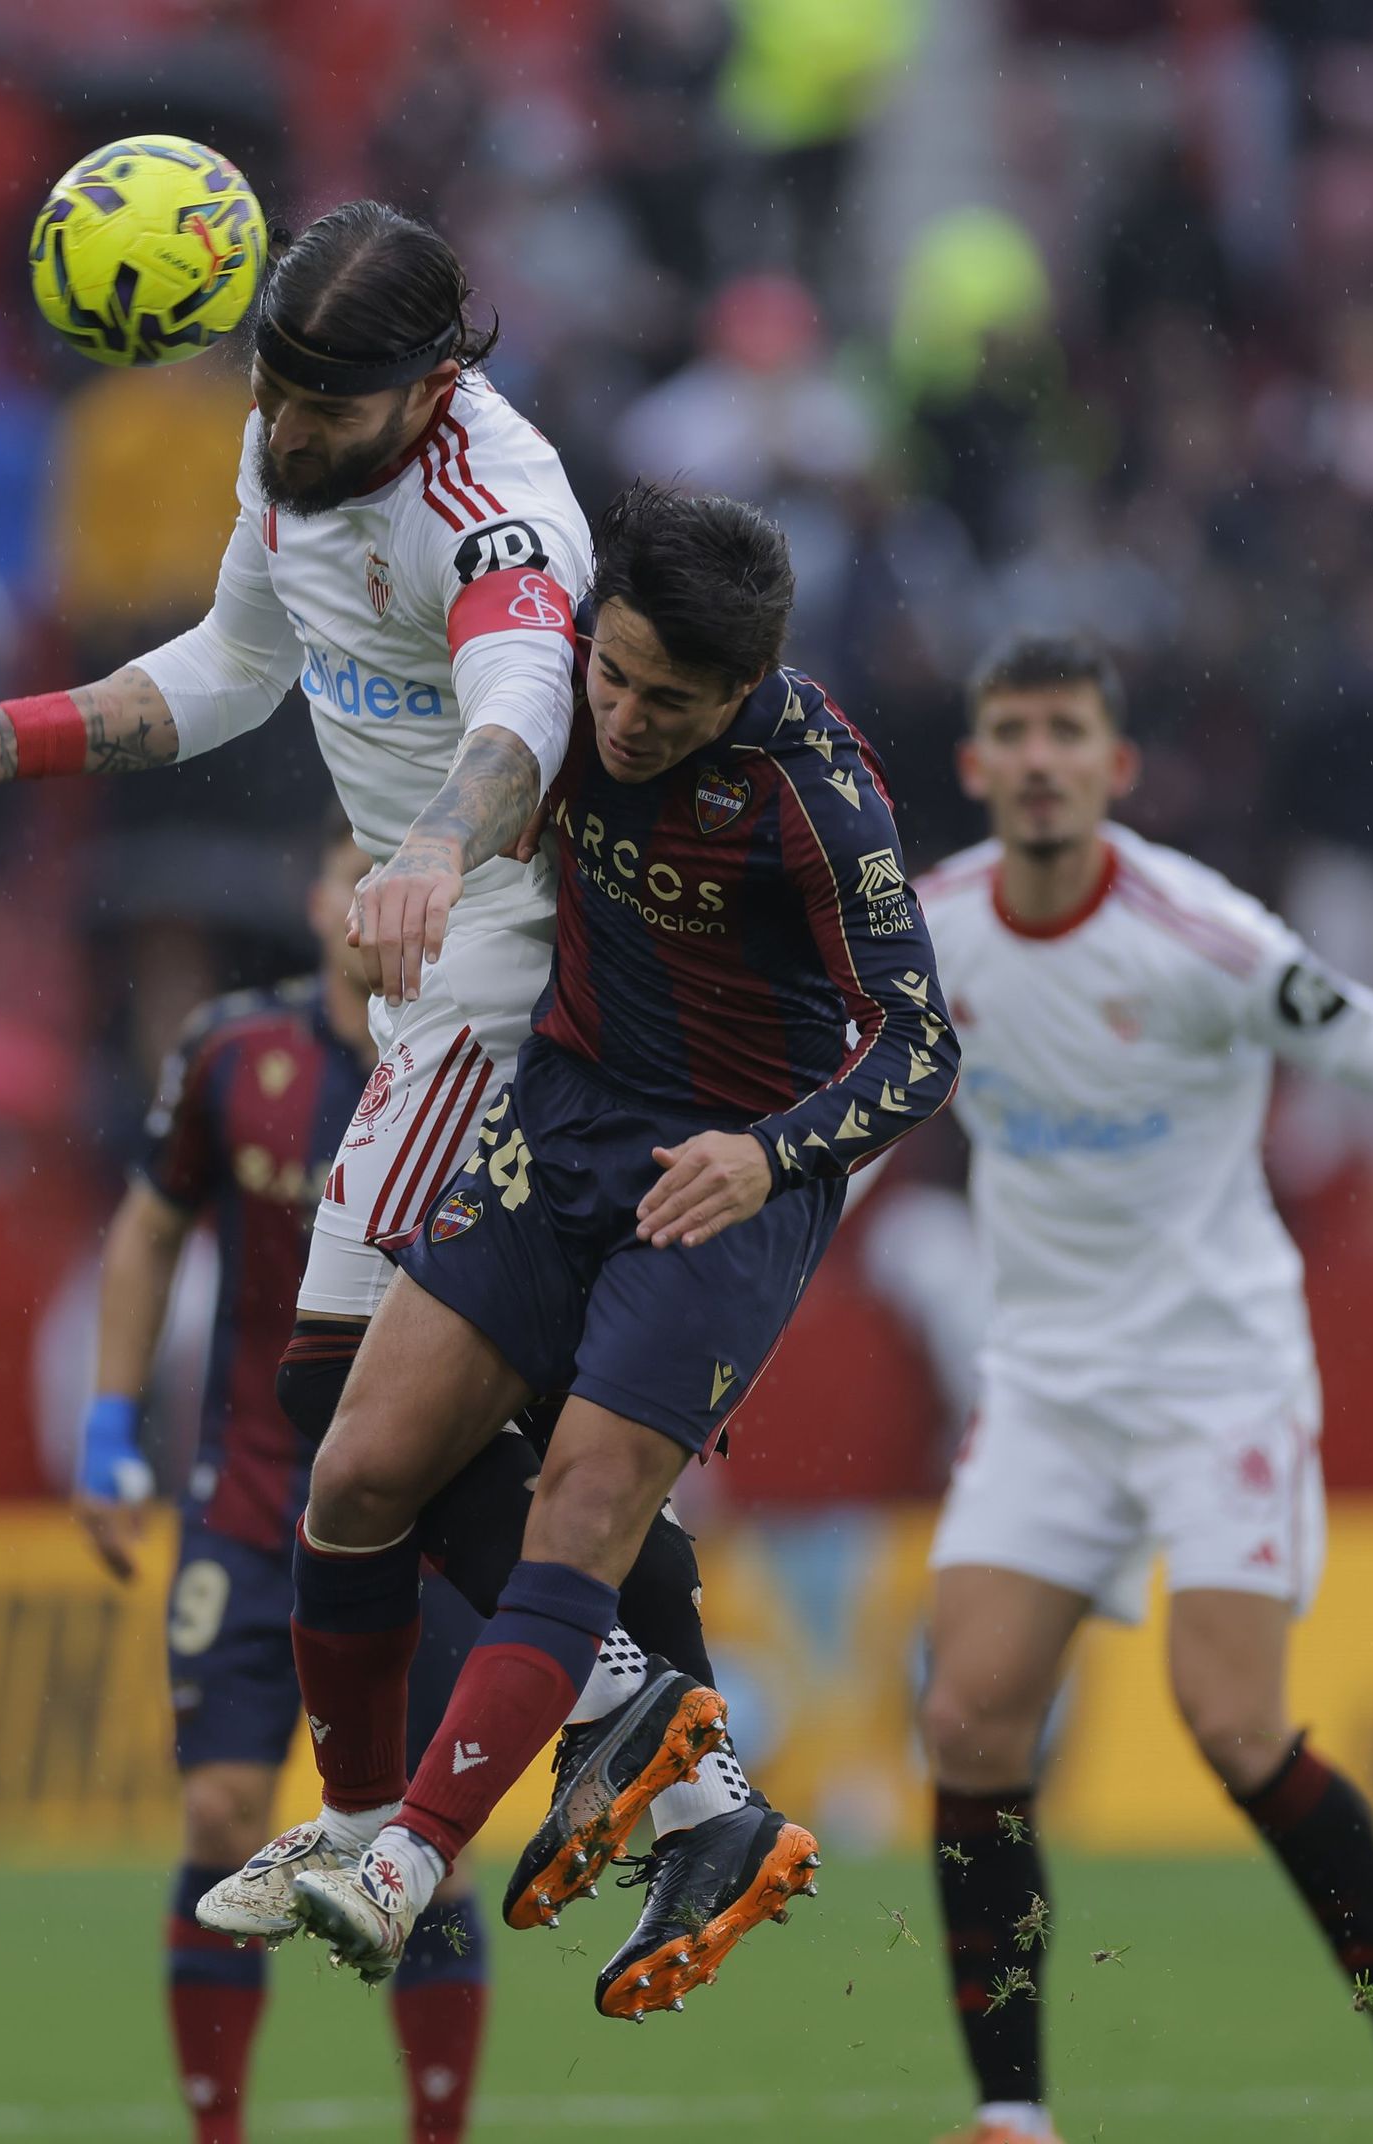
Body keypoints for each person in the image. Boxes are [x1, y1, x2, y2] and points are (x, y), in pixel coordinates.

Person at [0, 199, 742, 1919]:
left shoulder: (498, 511)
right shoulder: (294, 465)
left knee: (366, 1404)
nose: (282, 434)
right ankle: (646, 1761)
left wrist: (430, 854)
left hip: (518, 964)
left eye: (322, 411)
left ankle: (634, 1735)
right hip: (427, 961)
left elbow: (522, 718)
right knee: (398, 1425)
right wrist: (10, 737)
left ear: (432, 391)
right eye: (268, 392)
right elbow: (232, 667)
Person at [260, 483, 960, 2021]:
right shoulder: (556, 674)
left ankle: (413, 1862)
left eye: (673, 701)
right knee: (360, 1460)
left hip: (719, 1183)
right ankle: (486, 1804)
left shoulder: (813, 792)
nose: (627, 718)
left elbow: (921, 1048)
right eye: (616, 674)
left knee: (581, 1494)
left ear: (746, 688)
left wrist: (767, 1154)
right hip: (558, 1120)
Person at [915, 631, 1373, 2144]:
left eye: (1067, 733)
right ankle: (1013, 2121)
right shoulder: (931, 938)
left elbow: (1361, 1044)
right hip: (1048, 1378)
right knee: (971, 1726)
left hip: (1215, 1371)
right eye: (1013, 732)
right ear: (978, 766)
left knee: (1230, 1724)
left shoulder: (1205, 937)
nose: (1040, 758)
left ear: (1114, 770)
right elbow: (825, 1101)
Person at [74, 818, 489, 2144]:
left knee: (419, 1847)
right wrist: (105, 1428)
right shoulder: (232, 1055)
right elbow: (148, 1231)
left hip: (427, 1526)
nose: (369, 907)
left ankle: (435, 2131)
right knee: (218, 1811)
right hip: (250, 1502)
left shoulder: (490, 1068)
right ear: (315, 902)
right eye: (346, 878)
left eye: (394, 880)